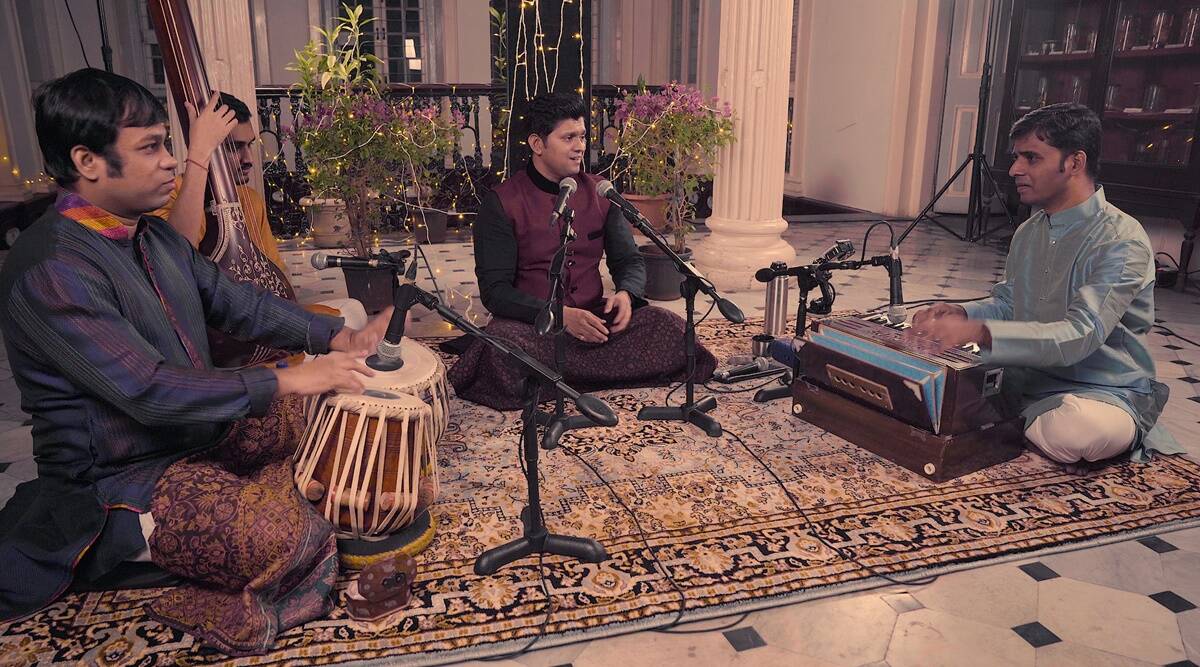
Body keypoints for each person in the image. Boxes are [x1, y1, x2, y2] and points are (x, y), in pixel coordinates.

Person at [0, 68, 391, 654]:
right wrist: (284, 377)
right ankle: (131, 544)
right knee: (285, 537)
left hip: (200, 434)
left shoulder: (149, 236)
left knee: (344, 421)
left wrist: (335, 337)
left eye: (168, 144)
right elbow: (149, 391)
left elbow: (238, 304)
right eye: (151, 147)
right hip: (117, 478)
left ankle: (247, 493)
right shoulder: (53, 269)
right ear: (87, 161)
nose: (170, 163)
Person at [910, 103, 1181, 472]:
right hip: (1024, 374)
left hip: (1099, 388)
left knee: (1079, 432)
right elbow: (1009, 302)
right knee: (919, 379)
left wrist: (980, 333)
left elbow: (1080, 334)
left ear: (1074, 162)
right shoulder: (1030, 230)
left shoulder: (1122, 240)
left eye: (1031, 158)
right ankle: (1007, 416)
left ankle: (1000, 416)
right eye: (1016, 157)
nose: (1015, 169)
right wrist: (963, 313)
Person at [448, 92, 717, 410]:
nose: (580, 146)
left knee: (669, 327)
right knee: (501, 348)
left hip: (596, 325)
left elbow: (628, 260)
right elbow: (496, 293)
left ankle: (555, 379)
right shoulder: (502, 203)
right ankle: (591, 374)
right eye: (568, 137)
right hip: (534, 329)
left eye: (582, 136)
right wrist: (561, 316)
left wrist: (626, 295)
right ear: (538, 144)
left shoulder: (602, 193)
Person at [154, 91, 369, 329]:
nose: (248, 159)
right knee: (344, 327)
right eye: (234, 147)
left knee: (354, 310)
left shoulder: (250, 199)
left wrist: (288, 322)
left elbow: (276, 270)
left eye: (249, 146)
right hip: (218, 329)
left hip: (262, 317)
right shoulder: (171, 193)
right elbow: (175, 258)